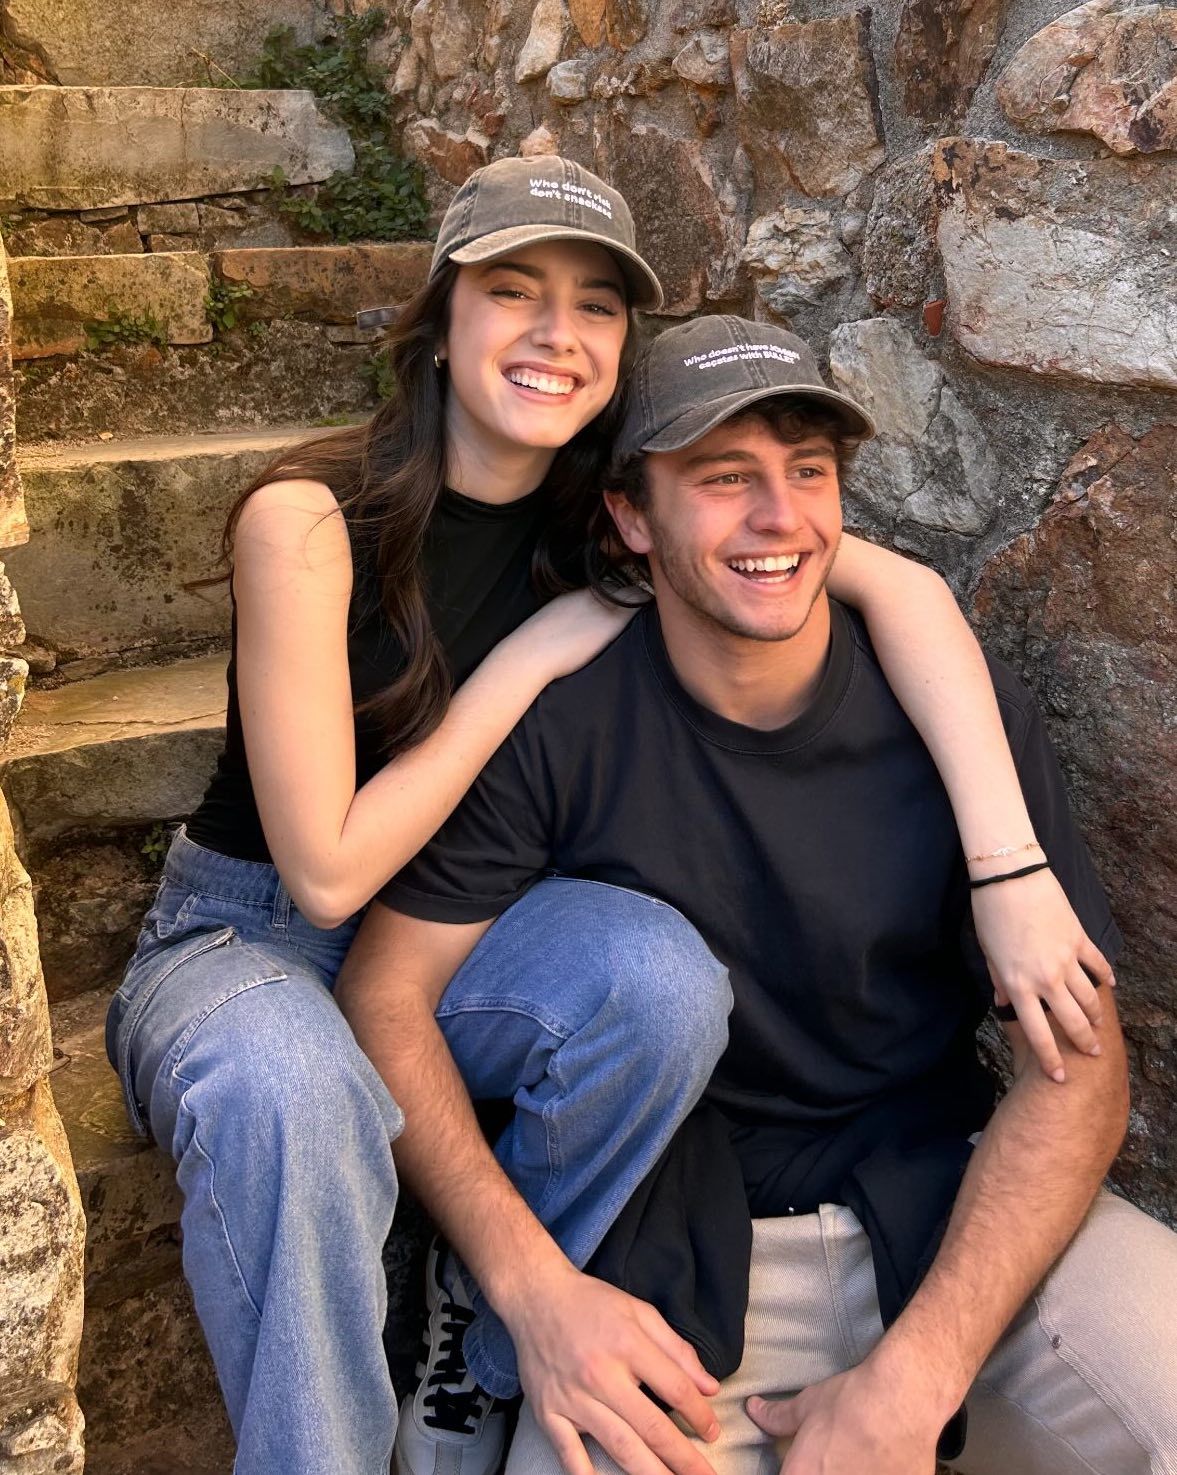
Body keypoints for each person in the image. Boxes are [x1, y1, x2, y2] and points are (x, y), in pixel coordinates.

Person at [108, 144, 1106, 1475]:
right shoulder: (307, 519)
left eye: (594, 303)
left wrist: (1008, 869)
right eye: (513, 289)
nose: (554, 333)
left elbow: (896, 589)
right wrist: (535, 653)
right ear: (441, 317)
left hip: (466, 945)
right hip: (256, 937)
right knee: (286, 1084)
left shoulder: (618, 510)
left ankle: (490, 1315)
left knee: (652, 972)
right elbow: (330, 875)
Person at [336, 316, 1175, 1475]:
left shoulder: (946, 707)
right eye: (726, 480)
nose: (780, 517)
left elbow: (1079, 1064)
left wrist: (914, 1378)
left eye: (809, 473)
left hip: (958, 1215)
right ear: (631, 518)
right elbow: (387, 992)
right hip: (693, 1255)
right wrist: (528, 1290)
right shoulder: (564, 721)